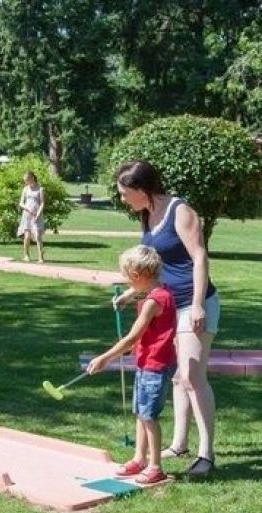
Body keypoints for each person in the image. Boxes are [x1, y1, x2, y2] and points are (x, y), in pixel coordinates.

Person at [113, 160, 220, 478]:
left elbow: (199, 256)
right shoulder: (146, 214)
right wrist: (134, 293)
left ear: (141, 189)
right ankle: (178, 444)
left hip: (194, 303)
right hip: (169, 305)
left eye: (124, 193)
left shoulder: (180, 210)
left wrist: (199, 304)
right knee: (177, 377)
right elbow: (154, 268)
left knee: (192, 377)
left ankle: (206, 455)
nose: (122, 199)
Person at [87, 245, 177, 485]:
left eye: (128, 277)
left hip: (155, 365)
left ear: (138, 275)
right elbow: (143, 292)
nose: (127, 282)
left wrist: (105, 358)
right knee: (141, 412)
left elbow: (131, 339)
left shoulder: (153, 302)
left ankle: (155, 466)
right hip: (148, 362)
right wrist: (129, 296)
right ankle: (139, 459)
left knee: (149, 416)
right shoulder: (160, 291)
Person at [17, 171, 46, 263]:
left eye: (27, 180)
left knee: (37, 235)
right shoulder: (25, 189)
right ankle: (26, 255)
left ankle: (40, 257)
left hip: (37, 214)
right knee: (27, 236)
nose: (26, 182)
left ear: (32, 178)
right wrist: (27, 209)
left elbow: (42, 203)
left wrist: (38, 213)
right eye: (25, 180)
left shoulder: (40, 189)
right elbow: (21, 203)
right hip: (27, 215)